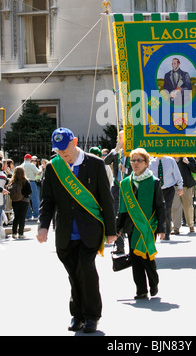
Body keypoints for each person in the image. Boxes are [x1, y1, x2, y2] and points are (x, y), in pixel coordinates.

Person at [37, 127, 117, 334]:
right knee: (74, 275)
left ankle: (92, 316)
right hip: (65, 232)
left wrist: (111, 230)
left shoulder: (95, 164)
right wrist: (43, 226)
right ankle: (77, 315)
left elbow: (106, 201)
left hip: (90, 231)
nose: (62, 153)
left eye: (65, 148)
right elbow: (48, 201)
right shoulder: (54, 167)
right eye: (58, 150)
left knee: (86, 271)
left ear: (75, 141)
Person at [117, 148, 165, 299]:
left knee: (147, 257)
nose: (135, 163)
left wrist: (162, 227)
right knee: (136, 259)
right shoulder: (125, 183)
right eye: (133, 160)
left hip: (149, 226)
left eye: (139, 160)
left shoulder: (154, 182)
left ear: (146, 163)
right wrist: (117, 228)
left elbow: (160, 206)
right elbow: (122, 208)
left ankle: (154, 282)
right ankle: (141, 290)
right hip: (132, 227)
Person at [105, 130, 132, 253]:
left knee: (130, 217)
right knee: (116, 216)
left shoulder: (133, 153)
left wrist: (126, 170)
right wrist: (115, 150)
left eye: (119, 138)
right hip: (116, 188)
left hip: (129, 188)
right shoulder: (116, 153)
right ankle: (119, 245)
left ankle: (133, 246)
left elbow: (138, 170)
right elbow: (105, 161)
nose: (117, 140)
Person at [149, 156, 183, 240]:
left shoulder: (170, 160)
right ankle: (157, 230)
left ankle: (166, 232)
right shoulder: (151, 162)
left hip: (168, 189)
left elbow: (177, 174)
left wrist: (180, 186)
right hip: (156, 189)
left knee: (167, 210)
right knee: (156, 210)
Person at [171, 157, 196, 234]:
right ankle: (176, 228)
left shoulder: (187, 156)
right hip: (174, 185)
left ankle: (191, 225)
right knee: (175, 206)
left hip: (186, 185)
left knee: (188, 206)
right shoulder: (170, 159)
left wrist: (188, 163)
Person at [8, 166, 32, 239]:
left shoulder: (12, 182)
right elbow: (29, 192)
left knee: (16, 217)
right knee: (22, 217)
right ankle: (21, 233)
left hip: (15, 201)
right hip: (24, 201)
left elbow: (9, 192)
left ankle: (14, 233)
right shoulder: (26, 181)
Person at [21, 153, 42, 220]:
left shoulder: (21, 166)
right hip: (31, 182)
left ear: (24, 159)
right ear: (30, 159)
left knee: (26, 199)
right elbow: (38, 172)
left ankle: (27, 215)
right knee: (35, 199)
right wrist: (41, 168)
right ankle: (36, 215)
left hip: (23, 183)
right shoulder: (31, 165)